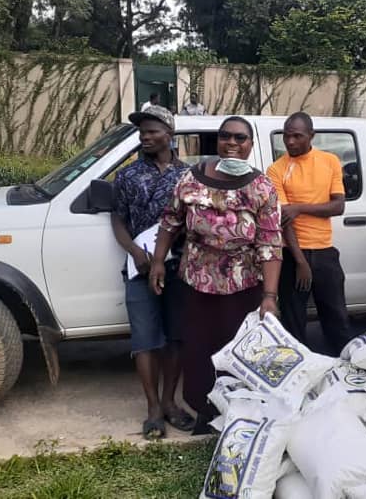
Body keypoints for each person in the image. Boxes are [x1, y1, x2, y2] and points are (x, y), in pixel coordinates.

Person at [149, 116, 282, 434]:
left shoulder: (262, 187)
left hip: (243, 287)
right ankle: (205, 414)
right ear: (217, 141)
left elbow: (270, 243)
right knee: (198, 350)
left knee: (239, 353)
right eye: (226, 137)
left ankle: (239, 418)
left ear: (251, 145)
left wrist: (270, 297)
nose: (232, 144)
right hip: (196, 283)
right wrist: (157, 261)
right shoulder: (190, 180)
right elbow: (170, 221)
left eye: (240, 138)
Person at [110, 105, 194, 439]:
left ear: (169, 134)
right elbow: (117, 219)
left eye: (152, 131)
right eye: (142, 132)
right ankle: (153, 409)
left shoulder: (187, 176)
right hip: (139, 267)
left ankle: (171, 403)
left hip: (178, 267)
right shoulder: (128, 175)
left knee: (175, 337)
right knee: (145, 340)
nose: (145, 137)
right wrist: (134, 252)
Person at [267, 112, 352, 355]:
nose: (290, 141)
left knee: (337, 317)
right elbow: (284, 220)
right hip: (293, 255)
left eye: (297, 136)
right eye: (286, 136)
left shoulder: (330, 161)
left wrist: (299, 208)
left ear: (311, 136)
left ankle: (347, 369)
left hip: (325, 253)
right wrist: (301, 262)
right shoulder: (276, 169)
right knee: (293, 325)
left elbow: (338, 206)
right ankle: (299, 374)